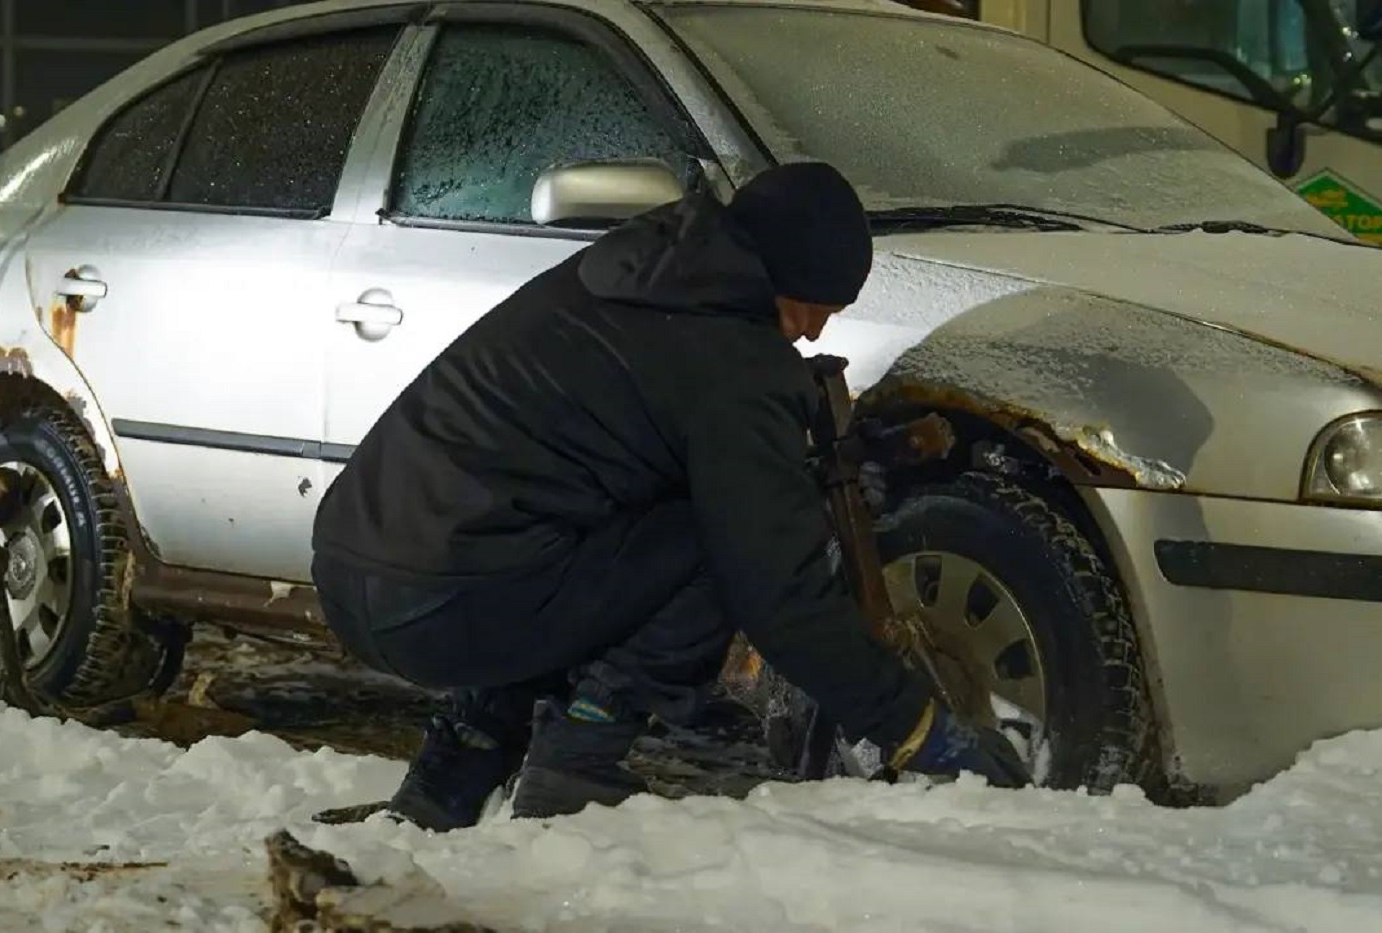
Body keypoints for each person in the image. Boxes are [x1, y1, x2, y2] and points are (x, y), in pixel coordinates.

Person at [309, 161, 1030, 831]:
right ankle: (579, 760)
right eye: (814, 305)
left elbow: (626, 458)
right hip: (448, 602)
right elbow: (778, 595)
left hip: (354, 569)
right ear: (781, 274)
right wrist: (917, 726)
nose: (816, 330)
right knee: (716, 545)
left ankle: (453, 772)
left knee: (578, 531)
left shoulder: (639, 271)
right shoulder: (734, 363)